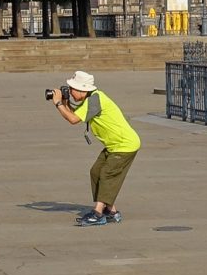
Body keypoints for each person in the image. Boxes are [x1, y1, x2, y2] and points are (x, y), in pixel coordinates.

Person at [50, 71, 141, 226]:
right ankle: (111, 211)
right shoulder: (92, 98)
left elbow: (72, 119)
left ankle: (98, 213)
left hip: (125, 145)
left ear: (81, 90)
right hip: (114, 145)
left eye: (71, 90)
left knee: (107, 174)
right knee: (96, 171)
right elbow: (75, 116)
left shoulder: (95, 100)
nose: (70, 92)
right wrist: (65, 102)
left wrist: (58, 103)